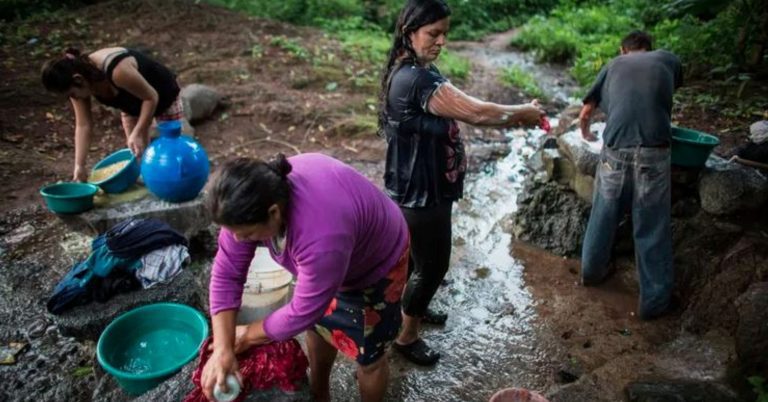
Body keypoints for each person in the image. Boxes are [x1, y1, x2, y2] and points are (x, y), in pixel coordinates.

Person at [379, 0, 544, 366]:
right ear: (409, 32)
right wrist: (523, 113)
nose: (441, 41)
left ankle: (412, 310)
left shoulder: (414, 69)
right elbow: (477, 112)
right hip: (422, 193)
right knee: (433, 266)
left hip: (415, 185)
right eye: (433, 34)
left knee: (417, 260)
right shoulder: (417, 79)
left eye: (445, 34)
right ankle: (406, 337)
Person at [202, 153, 410, 402]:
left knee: (369, 356)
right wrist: (223, 348)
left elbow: (304, 311)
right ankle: (319, 394)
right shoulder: (251, 200)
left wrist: (247, 335)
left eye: (246, 235)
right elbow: (227, 273)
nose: (238, 240)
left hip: (375, 261)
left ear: (273, 213)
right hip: (331, 254)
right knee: (321, 328)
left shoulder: (321, 234)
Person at [578, 31, 683, 320]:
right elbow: (661, 94)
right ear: (650, 48)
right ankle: (654, 304)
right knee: (652, 226)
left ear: (623, 50)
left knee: (603, 214)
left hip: (615, 152)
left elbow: (585, 113)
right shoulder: (668, 60)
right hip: (654, 153)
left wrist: (586, 135)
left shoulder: (613, 64)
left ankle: (591, 273)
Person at [41, 47, 182, 181]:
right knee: (139, 156)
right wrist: (80, 165)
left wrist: (138, 131)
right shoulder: (77, 83)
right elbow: (83, 125)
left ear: (78, 79)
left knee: (171, 151)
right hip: (131, 105)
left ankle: (176, 183)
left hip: (162, 95)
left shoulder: (117, 71)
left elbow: (151, 98)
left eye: (72, 94)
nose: (74, 98)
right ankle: (151, 185)